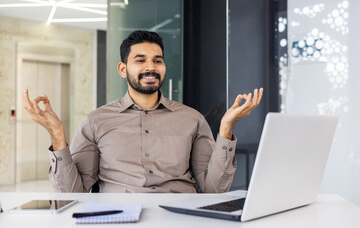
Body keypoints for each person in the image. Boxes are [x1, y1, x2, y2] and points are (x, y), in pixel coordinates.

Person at [23, 30, 263, 193]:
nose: (151, 67)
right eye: (140, 60)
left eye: (158, 60)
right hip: (118, 219)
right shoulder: (96, 121)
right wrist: (57, 135)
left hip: (180, 218)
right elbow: (72, 193)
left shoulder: (192, 119)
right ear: (122, 68)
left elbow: (213, 189)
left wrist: (226, 129)